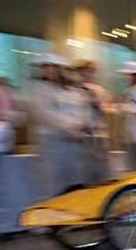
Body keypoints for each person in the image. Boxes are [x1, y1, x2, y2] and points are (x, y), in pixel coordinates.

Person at [29, 54, 90, 192]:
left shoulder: (72, 90)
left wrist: (80, 127)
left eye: (53, 67)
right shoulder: (38, 89)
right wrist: (68, 127)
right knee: (54, 184)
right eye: (45, 67)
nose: (49, 70)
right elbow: (44, 113)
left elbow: (83, 109)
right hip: (52, 143)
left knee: (75, 182)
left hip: (74, 144)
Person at [73, 59, 114, 182]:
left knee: (102, 164)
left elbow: (109, 108)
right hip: (82, 133)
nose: (88, 73)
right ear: (79, 72)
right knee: (85, 166)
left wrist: (98, 104)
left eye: (91, 71)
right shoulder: (73, 89)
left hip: (99, 131)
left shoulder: (100, 90)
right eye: (85, 70)